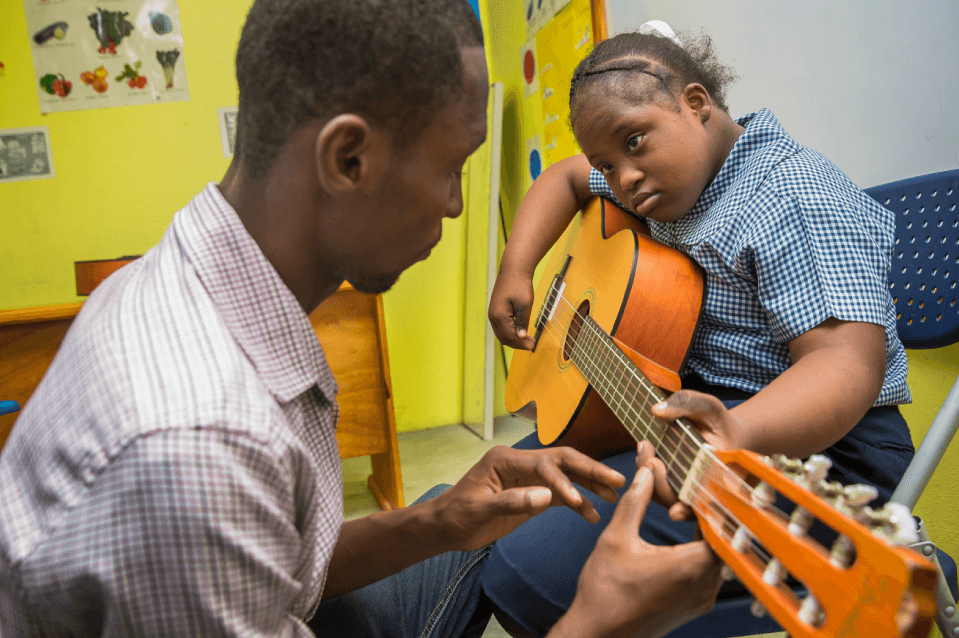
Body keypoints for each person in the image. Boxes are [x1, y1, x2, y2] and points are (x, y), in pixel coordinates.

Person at [0, 3, 723, 637]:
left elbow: (280, 570)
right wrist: (596, 629)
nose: (455, 206)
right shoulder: (193, 448)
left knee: (465, 512)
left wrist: (437, 524)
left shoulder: (185, 276)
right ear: (347, 159)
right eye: (452, 169)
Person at [484, 25, 917, 637]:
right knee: (500, 500)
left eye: (635, 142)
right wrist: (517, 267)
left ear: (695, 103)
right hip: (687, 415)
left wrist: (739, 430)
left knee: (528, 572)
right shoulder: (658, 182)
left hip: (824, 449)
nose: (623, 178)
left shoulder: (790, 195)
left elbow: (846, 363)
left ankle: (819, 579)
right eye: (609, 161)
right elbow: (565, 177)